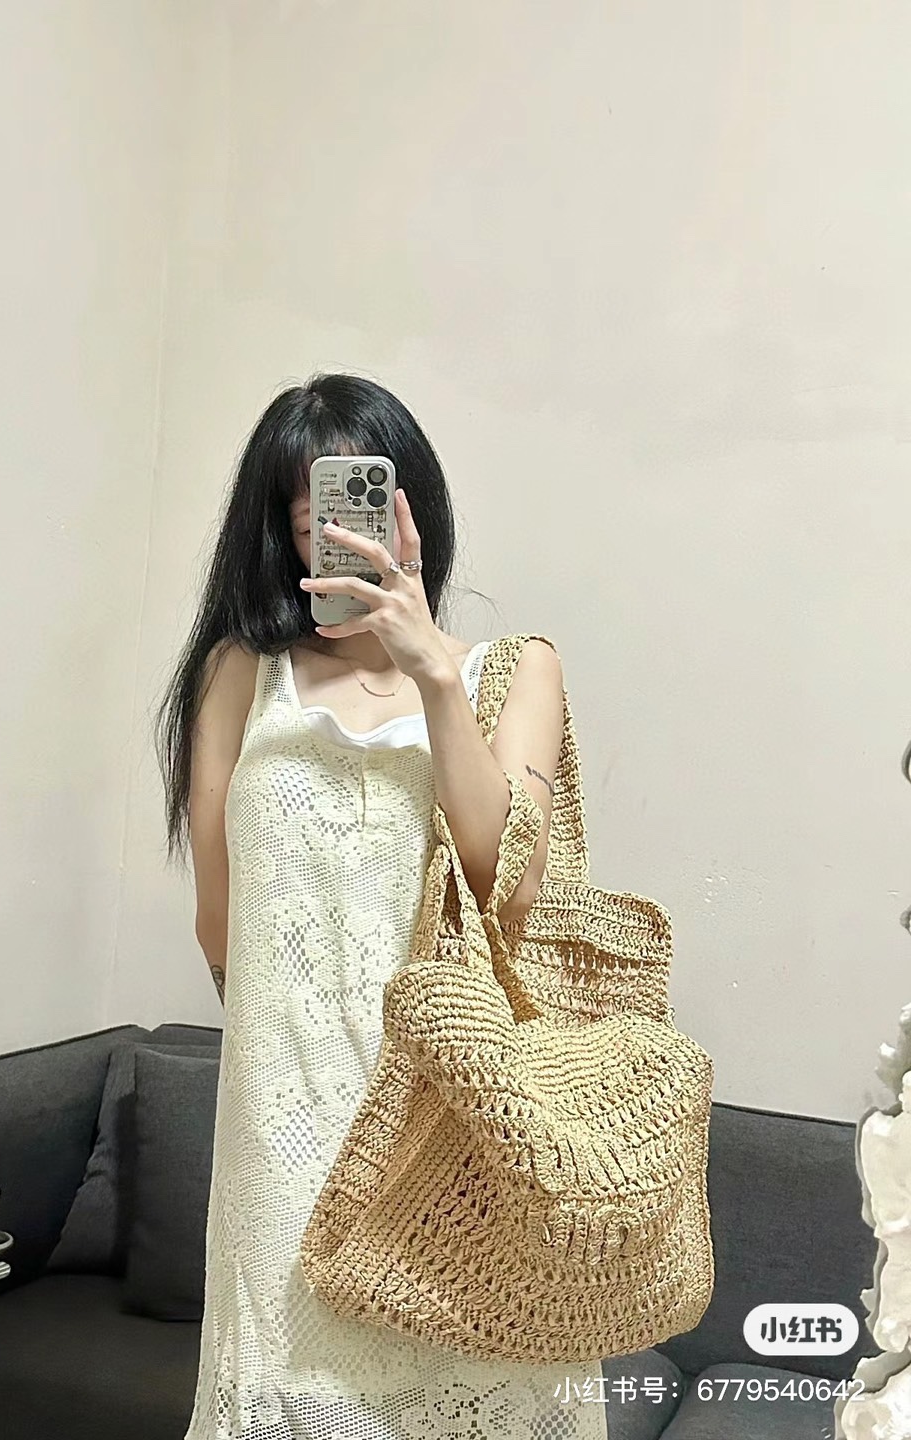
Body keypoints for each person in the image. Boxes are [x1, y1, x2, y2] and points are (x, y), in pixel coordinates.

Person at [155, 373, 608, 1440]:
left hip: (460, 1135)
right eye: (316, 527)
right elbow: (218, 922)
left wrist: (432, 672)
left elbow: (510, 888)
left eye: (367, 514)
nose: (347, 546)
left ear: (415, 511)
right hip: (282, 1145)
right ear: (284, 540)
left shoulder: (514, 672)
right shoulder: (239, 675)